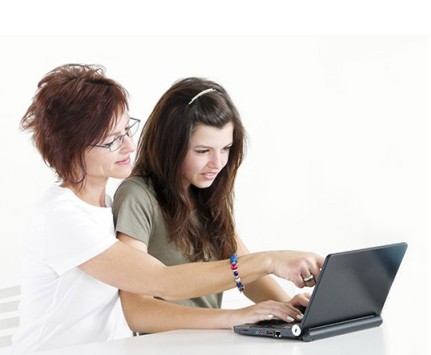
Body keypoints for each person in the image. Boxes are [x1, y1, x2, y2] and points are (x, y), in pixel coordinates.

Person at [11, 64, 324, 353]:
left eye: (126, 131)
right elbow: (160, 281)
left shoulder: (103, 206)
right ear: (71, 148)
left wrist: (291, 310)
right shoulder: (62, 218)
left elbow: (235, 260)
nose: (130, 147)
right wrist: (267, 266)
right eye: (111, 141)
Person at [113, 77, 317, 334]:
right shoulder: (137, 196)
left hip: (212, 343)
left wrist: (288, 308)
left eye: (226, 148)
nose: (217, 163)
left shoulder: (207, 192)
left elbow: (243, 268)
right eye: (202, 151)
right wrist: (235, 316)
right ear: (170, 146)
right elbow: (138, 312)